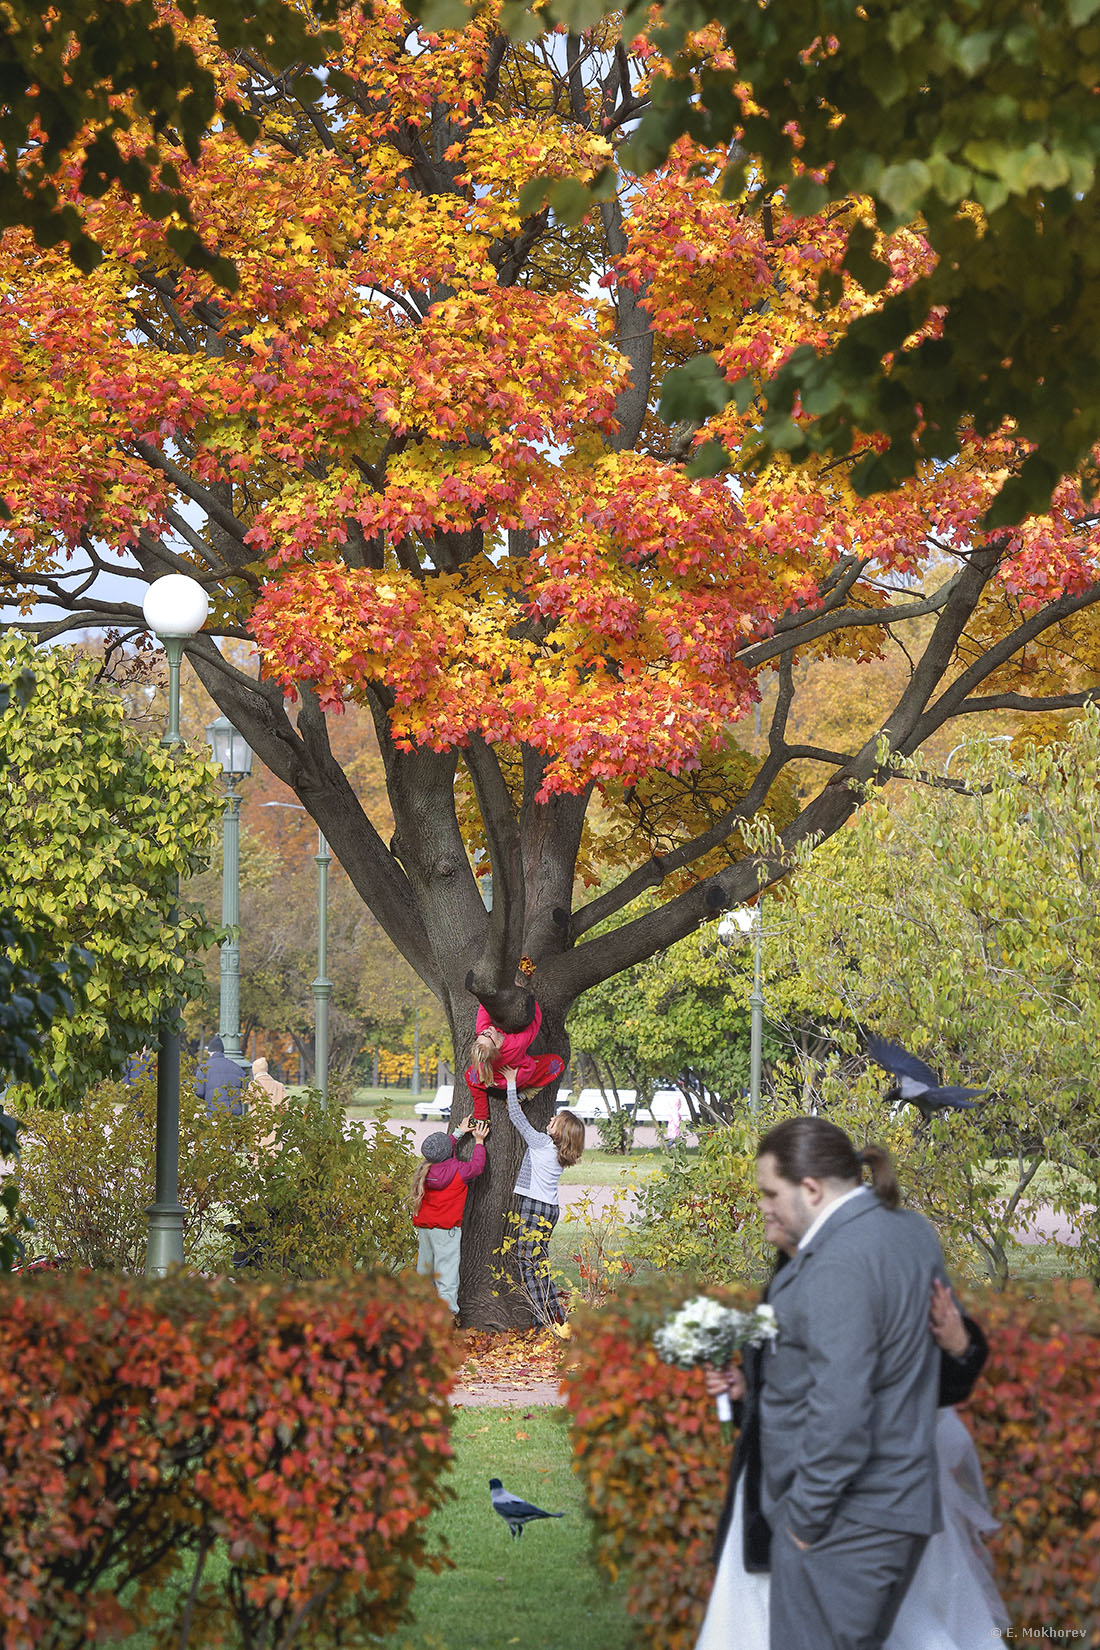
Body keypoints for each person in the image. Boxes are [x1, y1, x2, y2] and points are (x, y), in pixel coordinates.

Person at [717, 1116, 949, 1650]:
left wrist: (802, 1521)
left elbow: (841, 1406)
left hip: (843, 1523)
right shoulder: (910, 1230)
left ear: (812, 1189)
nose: (763, 1207)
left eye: (770, 1193)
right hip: (894, 1509)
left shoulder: (839, 1260)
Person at [698, 1263, 1008, 1650]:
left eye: (774, 1197)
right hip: (766, 1519)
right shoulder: (789, 1270)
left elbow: (928, 1379)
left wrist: (959, 1346)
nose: (765, 1208)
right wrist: (746, 1391)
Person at [501, 1065, 584, 1338]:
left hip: (534, 1208)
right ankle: (556, 1315)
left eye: (555, 1120)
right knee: (540, 1263)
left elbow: (515, 1115)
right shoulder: (558, 1152)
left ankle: (545, 1320)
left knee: (529, 1264)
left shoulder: (540, 1143)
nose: (550, 1119)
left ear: (558, 1132)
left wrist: (512, 1082)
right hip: (549, 1209)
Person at [409, 1114, 489, 1318]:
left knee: (425, 1270)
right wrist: (479, 1142)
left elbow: (442, 1152)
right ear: (449, 1153)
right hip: (446, 1231)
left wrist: (458, 1133)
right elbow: (477, 1167)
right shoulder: (458, 1171)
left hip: (425, 1229)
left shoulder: (425, 1170)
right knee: (447, 1273)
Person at [463, 998, 564, 1122]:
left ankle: (481, 1117)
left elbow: (484, 1008)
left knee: (471, 1076)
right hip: (516, 1079)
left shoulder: (484, 1035)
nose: (485, 1032)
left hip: (491, 1079)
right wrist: (530, 1000)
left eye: (482, 1034)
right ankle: (524, 1094)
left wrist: (493, 992)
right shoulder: (515, 1045)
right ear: (498, 1044)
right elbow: (534, 1026)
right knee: (557, 1064)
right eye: (486, 1035)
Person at [195, 1035, 248, 1116]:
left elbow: (199, 1091)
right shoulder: (237, 1067)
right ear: (222, 1051)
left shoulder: (204, 1068)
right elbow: (245, 1090)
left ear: (210, 1052)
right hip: (234, 1114)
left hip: (215, 1113)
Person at [251, 1056, 288, 1149]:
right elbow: (286, 1106)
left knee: (259, 1148)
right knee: (273, 1148)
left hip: (259, 1123)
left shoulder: (254, 1085)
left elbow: (246, 1099)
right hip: (275, 1123)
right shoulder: (279, 1086)